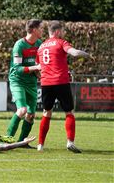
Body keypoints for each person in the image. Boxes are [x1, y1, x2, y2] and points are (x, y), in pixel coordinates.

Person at [36, 21, 92, 153]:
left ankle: (40, 145)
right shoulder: (61, 42)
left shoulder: (41, 47)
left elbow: (39, 66)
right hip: (61, 82)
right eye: (62, 31)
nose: (63, 33)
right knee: (69, 112)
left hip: (46, 83)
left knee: (46, 113)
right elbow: (74, 53)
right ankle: (70, 142)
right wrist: (87, 55)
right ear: (57, 31)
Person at [6, 19, 43, 147]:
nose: (42, 30)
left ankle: (22, 142)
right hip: (18, 81)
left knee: (31, 115)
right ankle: (7, 140)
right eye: (41, 28)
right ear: (34, 30)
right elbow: (17, 69)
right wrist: (36, 68)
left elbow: (40, 65)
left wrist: (41, 74)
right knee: (22, 110)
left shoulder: (39, 44)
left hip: (31, 82)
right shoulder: (19, 45)